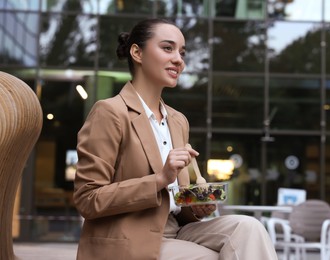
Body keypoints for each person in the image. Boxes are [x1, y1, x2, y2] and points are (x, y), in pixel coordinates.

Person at [73, 18, 278, 260]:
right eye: (167, 48)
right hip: (128, 236)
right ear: (137, 52)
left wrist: (196, 207)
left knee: (249, 227)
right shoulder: (110, 112)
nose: (179, 59)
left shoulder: (178, 121)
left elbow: (175, 207)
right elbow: (87, 199)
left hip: (176, 231)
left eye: (182, 52)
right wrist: (159, 179)